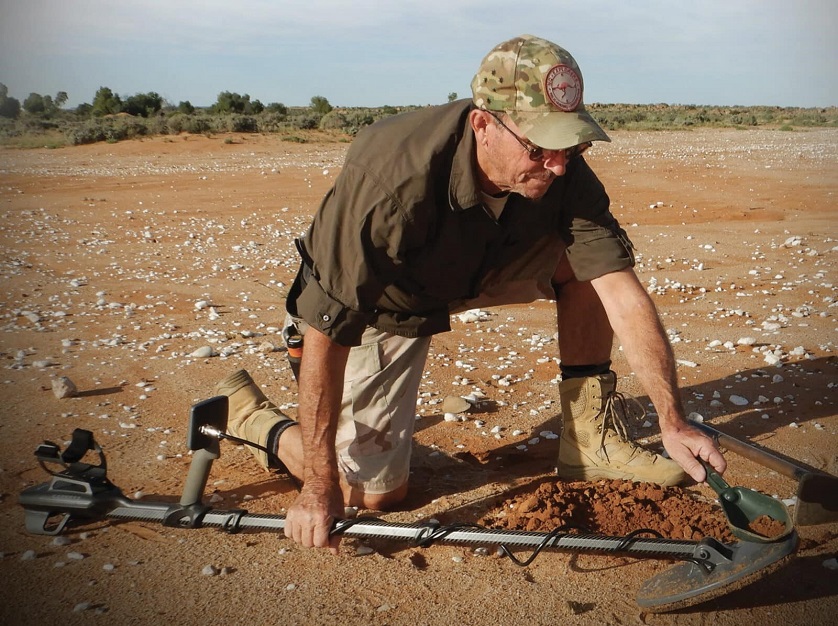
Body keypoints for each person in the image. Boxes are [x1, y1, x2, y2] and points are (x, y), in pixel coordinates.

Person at [213, 34, 726, 553]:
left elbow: (620, 290)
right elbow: (329, 326)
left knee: (590, 262)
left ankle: (589, 441)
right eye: (540, 146)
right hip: (386, 299)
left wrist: (673, 420)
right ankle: (255, 420)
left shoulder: (561, 170)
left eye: (571, 145)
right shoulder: (391, 180)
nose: (559, 165)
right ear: (484, 124)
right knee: (372, 494)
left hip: (475, 267)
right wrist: (317, 485)